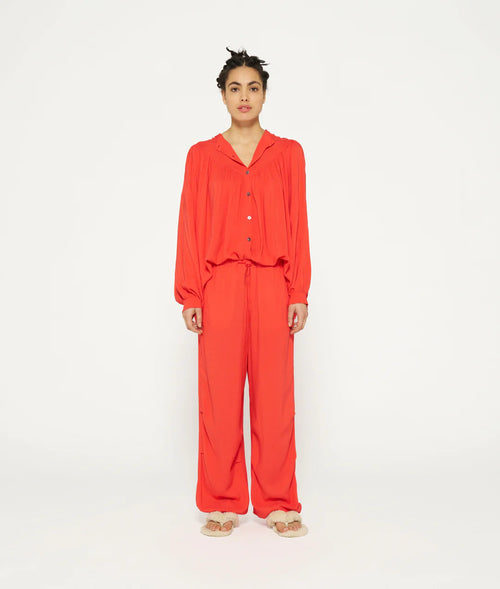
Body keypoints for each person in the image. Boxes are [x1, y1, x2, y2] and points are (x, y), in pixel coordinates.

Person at [174, 47, 311, 538]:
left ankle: (278, 502)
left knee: (275, 398)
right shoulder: (201, 156)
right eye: (236, 88)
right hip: (221, 285)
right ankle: (221, 501)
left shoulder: (288, 154)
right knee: (219, 398)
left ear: (265, 94)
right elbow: (190, 225)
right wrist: (191, 294)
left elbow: (298, 223)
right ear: (223, 95)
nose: (245, 96)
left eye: (253, 87)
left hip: (274, 284)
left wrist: (298, 290)